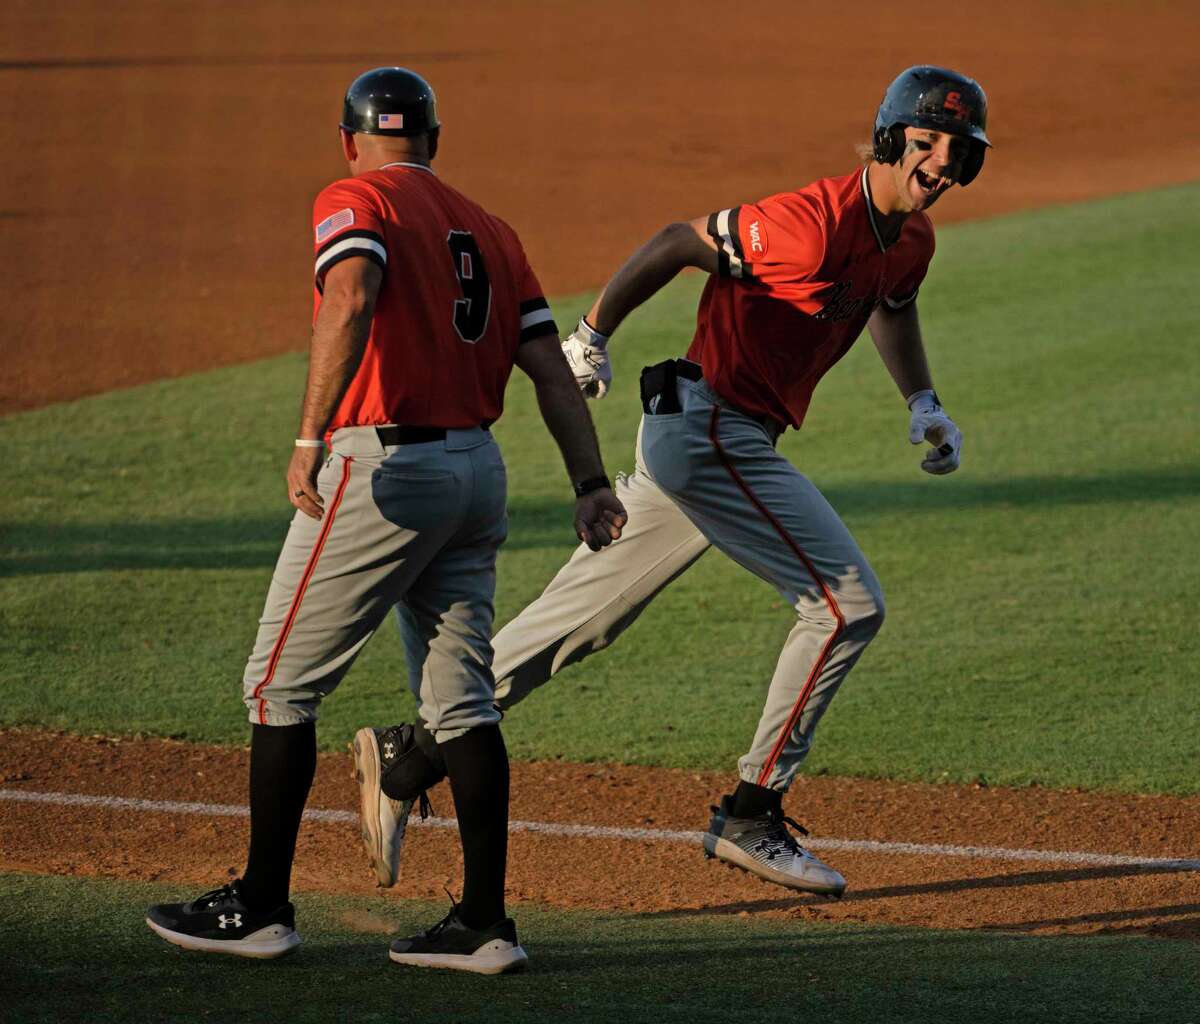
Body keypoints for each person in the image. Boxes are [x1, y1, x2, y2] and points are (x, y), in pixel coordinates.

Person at [358, 65, 990, 899]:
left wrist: (922, 401)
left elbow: (891, 305)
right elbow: (678, 242)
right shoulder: (807, 226)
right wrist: (592, 333)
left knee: (582, 621)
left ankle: (408, 757)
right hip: (711, 429)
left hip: (705, 439)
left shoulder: (912, 242)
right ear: (887, 138)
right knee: (846, 607)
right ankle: (752, 813)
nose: (940, 163)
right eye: (926, 142)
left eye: (957, 153)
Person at [144, 66, 626, 973]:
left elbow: (352, 296)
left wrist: (309, 436)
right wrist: (590, 480)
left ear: (348, 140)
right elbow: (549, 368)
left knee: (279, 685)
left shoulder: (353, 197)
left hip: (386, 470)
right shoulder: (492, 229)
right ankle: (484, 925)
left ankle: (260, 907)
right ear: (433, 141)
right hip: (477, 474)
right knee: (462, 703)